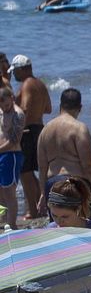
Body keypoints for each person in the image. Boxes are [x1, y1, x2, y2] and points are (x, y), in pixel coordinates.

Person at [35, 86, 91, 215]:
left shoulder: (45, 130)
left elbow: (42, 167)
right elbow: (88, 165)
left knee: (61, 230)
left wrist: (43, 193)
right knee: (84, 228)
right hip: (76, 184)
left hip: (53, 184)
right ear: (80, 107)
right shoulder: (79, 129)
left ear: (60, 105)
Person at [0, 82, 23, 228]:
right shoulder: (2, 111)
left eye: (6, 105)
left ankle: (12, 225)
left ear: (12, 98)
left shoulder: (18, 114)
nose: (4, 108)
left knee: (9, 192)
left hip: (11, 155)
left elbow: (15, 140)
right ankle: (3, 223)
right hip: (2, 154)